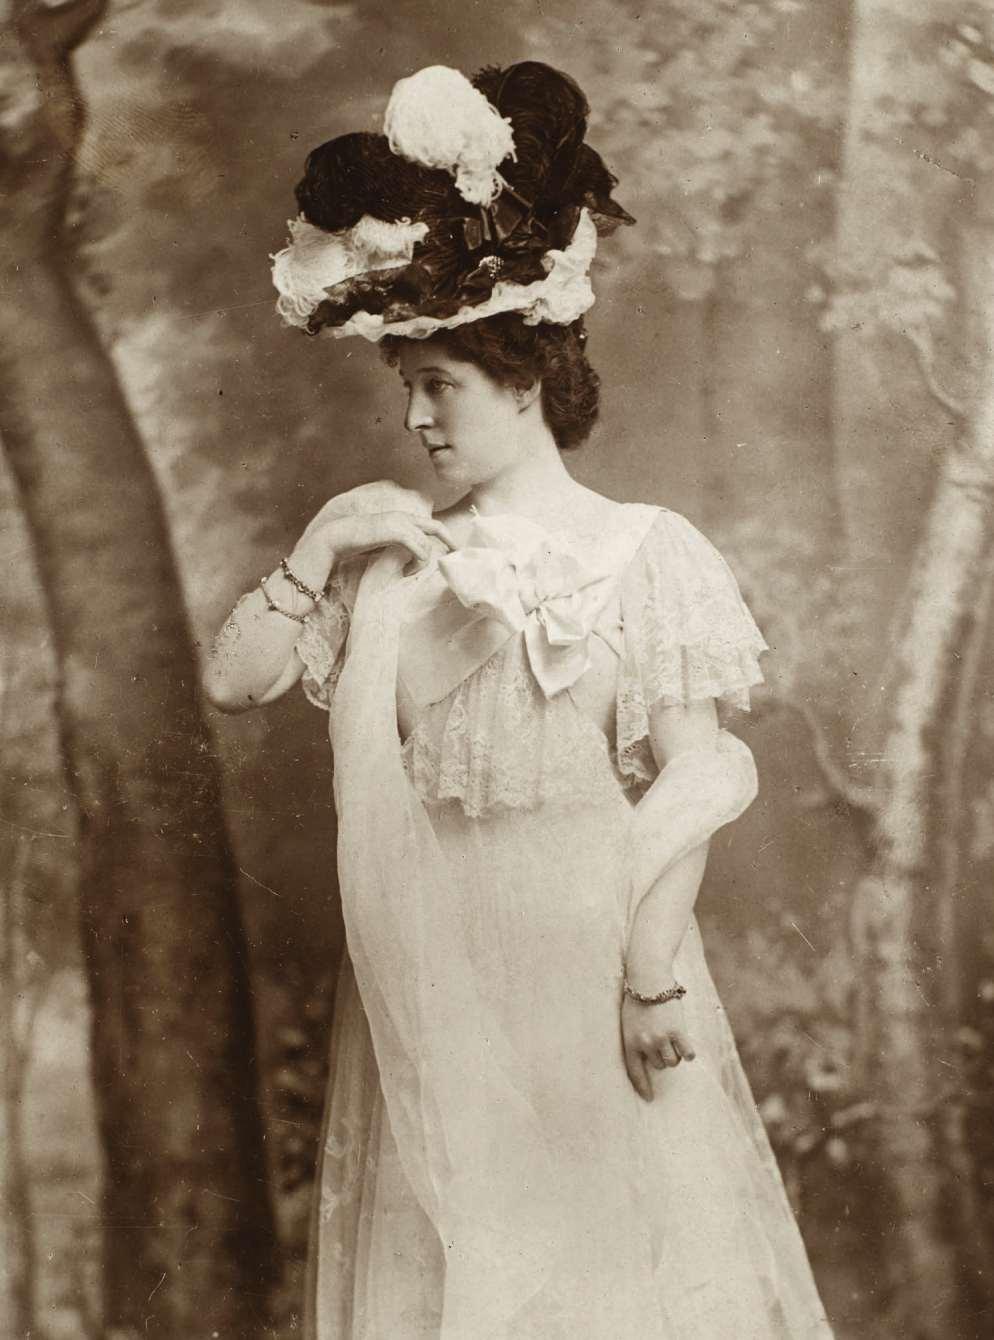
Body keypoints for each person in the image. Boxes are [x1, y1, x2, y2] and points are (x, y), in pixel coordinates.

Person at [206, 61, 833, 1340]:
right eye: (406, 388)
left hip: (591, 961)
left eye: (440, 384)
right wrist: (317, 548)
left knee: (618, 1280)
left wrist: (649, 974)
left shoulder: (645, 547)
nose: (415, 419)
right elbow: (234, 682)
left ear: (524, 381)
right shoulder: (387, 557)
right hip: (435, 971)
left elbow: (698, 774)